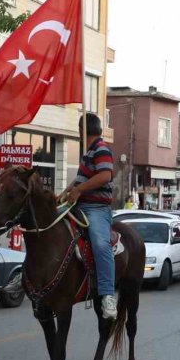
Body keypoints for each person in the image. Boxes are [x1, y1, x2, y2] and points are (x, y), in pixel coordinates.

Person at [61, 113, 117, 319]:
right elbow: (80, 180)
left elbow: (105, 175)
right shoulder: (87, 153)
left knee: (101, 244)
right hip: (78, 206)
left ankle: (108, 295)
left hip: (96, 209)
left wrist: (79, 190)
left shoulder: (101, 149)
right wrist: (66, 192)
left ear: (82, 131)